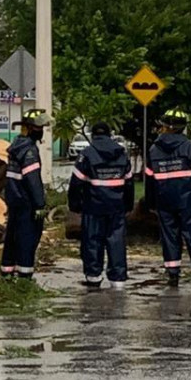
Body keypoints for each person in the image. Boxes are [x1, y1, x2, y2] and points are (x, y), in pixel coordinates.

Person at [145, 109, 191, 288]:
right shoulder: (189, 147)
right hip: (186, 200)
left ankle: (173, 275)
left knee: (169, 237)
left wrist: (151, 203)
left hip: (163, 201)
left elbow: (149, 180)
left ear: (164, 126)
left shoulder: (153, 149)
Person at [68, 121, 134, 289]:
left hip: (93, 207)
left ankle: (93, 277)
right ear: (110, 134)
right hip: (116, 207)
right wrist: (128, 205)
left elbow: (76, 183)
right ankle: (118, 280)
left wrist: (75, 205)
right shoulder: (121, 154)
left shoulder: (87, 154)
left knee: (92, 241)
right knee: (117, 242)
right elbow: (129, 183)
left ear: (93, 135)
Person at [1, 109, 50, 281]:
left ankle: (7, 272)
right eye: (40, 127)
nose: (42, 130)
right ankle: (24, 276)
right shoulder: (29, 151)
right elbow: (33, 180)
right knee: (27, 240)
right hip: (27, 203)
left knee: (12, 238)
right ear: (31, 128)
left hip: (14, 200)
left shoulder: (17, 146)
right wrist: (40, 204)